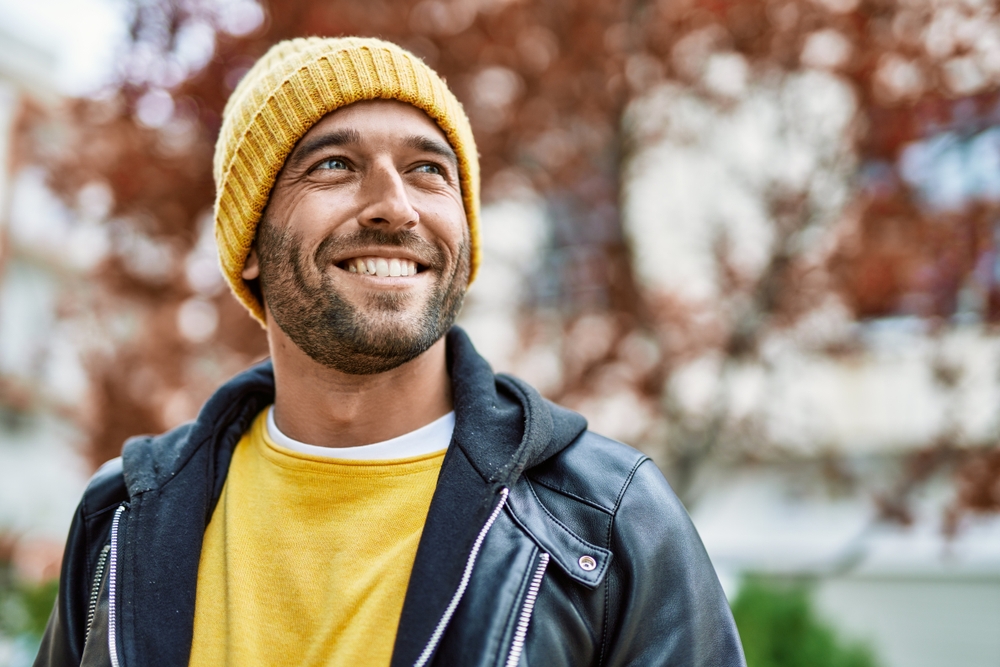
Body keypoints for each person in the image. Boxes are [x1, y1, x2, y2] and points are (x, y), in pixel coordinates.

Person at [34, 37, 745, 667]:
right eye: (337, 164)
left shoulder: (606, 521)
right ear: (247, 243)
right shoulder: (121, 520)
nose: (395, 206)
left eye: (430, 170)